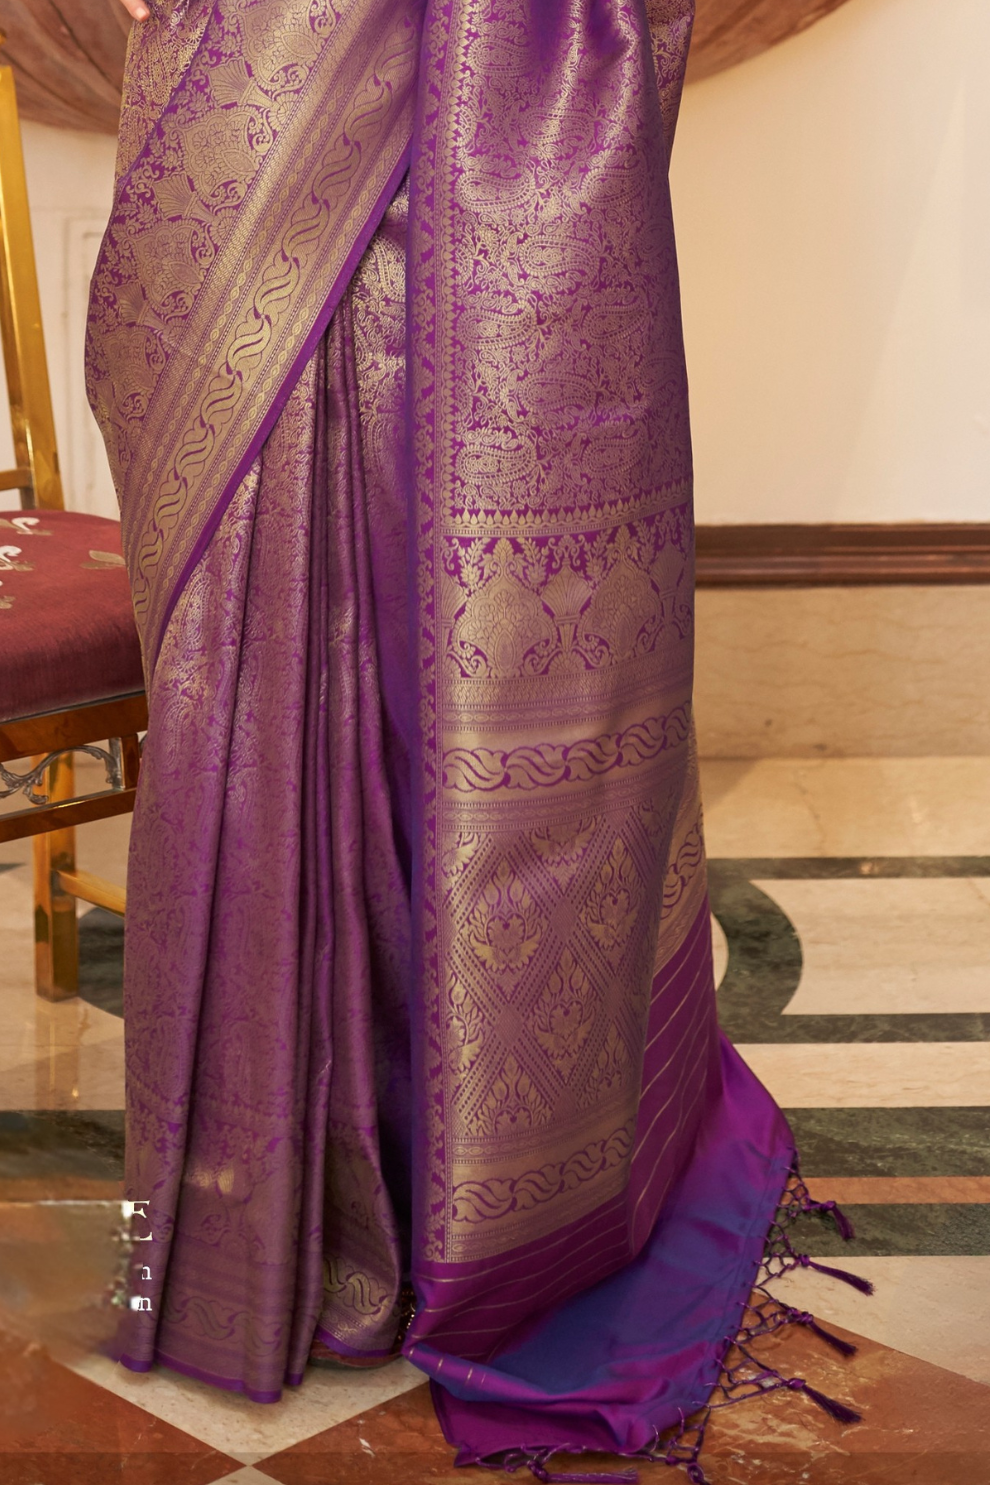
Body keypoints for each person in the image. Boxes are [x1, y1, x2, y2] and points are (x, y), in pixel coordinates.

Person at [89, 2, 860, 1478]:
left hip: (506, 62)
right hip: (255, 69)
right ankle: (279, 1216)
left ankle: (486, 1206)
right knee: (261, 642)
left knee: (454, 651)